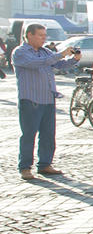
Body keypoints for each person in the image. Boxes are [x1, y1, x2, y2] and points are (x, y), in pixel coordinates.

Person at [12, 23, 81, 180]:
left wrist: (73, 59)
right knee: (29, 134)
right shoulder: (20, 52)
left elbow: (58, 65)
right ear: (29, 35)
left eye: (45, 35)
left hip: (48, 98)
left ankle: (45, 164)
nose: (44, 38)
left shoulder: (45, 51)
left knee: (48, 134)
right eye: (41, 35)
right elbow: (36, 64)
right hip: (30, 99)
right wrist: (60, 54)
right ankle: (25, 167)